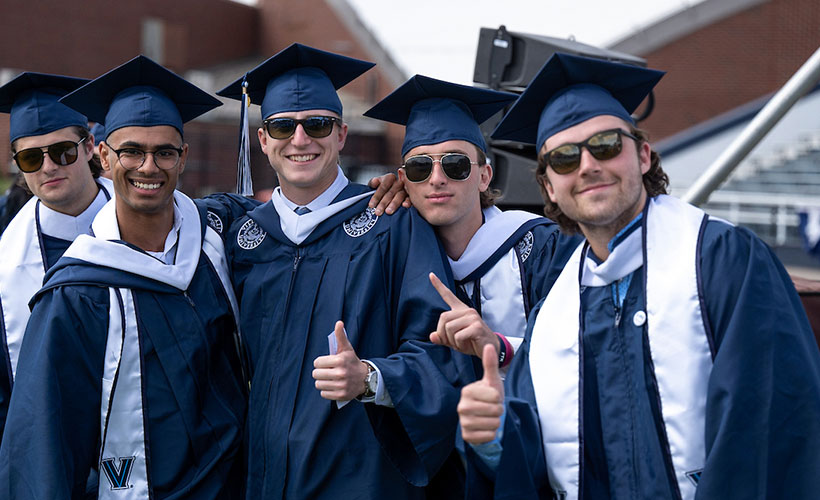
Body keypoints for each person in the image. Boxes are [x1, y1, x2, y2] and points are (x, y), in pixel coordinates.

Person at [458, 52, 820, 499]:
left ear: (644, 155)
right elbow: (535, 461)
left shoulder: (726, 262)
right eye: (565, 158)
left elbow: (775, 429)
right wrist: (492, 439)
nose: (588, 165)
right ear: (549, 187)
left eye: (606, 145)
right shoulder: (555, 312)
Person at [213, 43, 474, 499]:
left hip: (359, 478)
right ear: (262, 140)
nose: (300, 140)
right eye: (281, 126)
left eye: (317, 124)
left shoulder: (392, 224)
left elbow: (441, 348)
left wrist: (372, 377)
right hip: (261, 476)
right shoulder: (240, 239)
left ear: (341, 135)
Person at [0, 56, 247, 499]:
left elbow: (300, 224)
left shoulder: (210, 235)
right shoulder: (68, 293)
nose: (148, 167)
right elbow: (40, 432)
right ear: (107, 155)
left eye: (61, 152)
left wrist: (395, 190)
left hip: (229, 478)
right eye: (32, 157)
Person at [364, 74, 580, 367]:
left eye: (456, 164)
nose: (437, 179)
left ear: (484, 177)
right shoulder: (392, 254)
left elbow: (580, 348)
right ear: (403, 180)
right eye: (419, 168)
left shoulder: (543, 249)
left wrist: (500, 347)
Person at [0, 72, 114, 440]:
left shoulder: (151, 226)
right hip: (52, 450)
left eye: (63, 151)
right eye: (31, 158)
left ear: (90, 146)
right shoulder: (6, 260)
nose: (49, 166)